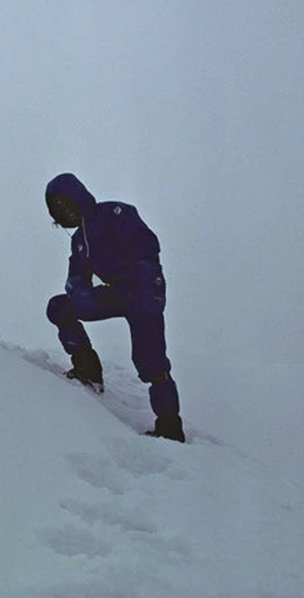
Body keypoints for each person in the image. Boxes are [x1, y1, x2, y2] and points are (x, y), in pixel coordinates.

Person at [44, 173, 185, 442]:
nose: (63, 211)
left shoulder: (112, 213)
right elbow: (75, 276)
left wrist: (151, 285)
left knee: (151, 362)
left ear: (78, 196)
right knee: (60, 307)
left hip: (143, 290)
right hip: (118, 293)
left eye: (65, 203)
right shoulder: (79, 242)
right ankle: (88, 370)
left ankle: (170, 428)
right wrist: (79, 293)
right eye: (56, 209)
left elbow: (146, 244)